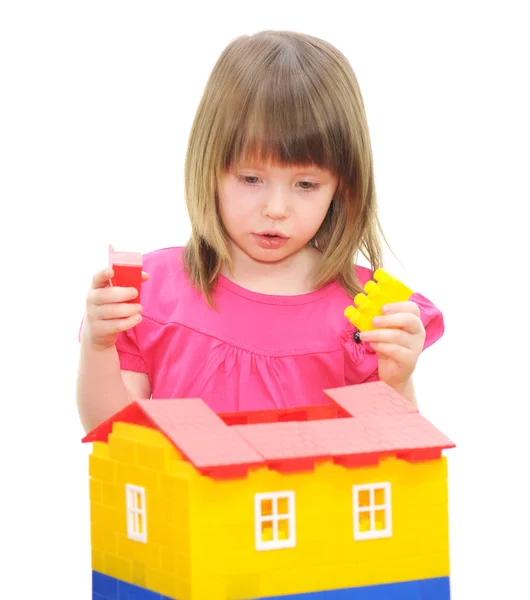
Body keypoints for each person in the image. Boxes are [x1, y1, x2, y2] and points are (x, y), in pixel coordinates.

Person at [76, 30, 444, 433]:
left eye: (306, 185)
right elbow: (110, 433)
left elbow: (393, 455)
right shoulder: (155, 293)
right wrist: (99, 347)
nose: (276, 210)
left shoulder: (366, 313)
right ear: (210, 168)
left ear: (343, 186)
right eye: (251, 178)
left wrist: (397, 381)